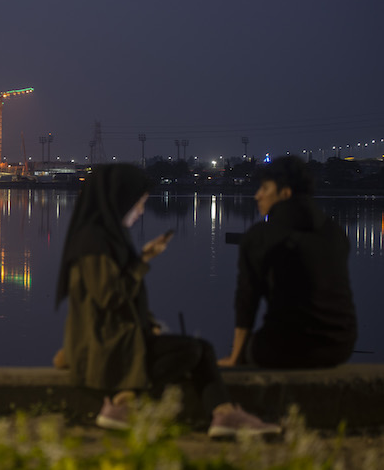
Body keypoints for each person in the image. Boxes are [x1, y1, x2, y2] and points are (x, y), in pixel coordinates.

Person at [55, 164, 280, 438]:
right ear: (120, 201)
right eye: (138, 204)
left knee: (200, 350)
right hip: (108, 349)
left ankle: (223, 414)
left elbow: (120, 296)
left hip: (118, 342)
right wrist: (142, 262)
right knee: (194, 352)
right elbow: (110, 296)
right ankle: (123, 402)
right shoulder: (93, 242)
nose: (140, 212)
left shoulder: (108, 239)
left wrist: (143, 267)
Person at [218, 156, 357, 369]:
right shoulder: (335, 232)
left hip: (286, 347)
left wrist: (236, 356)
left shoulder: (259, 236)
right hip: (341, 347)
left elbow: (247, 299)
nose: (257, 196)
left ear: (285, 192)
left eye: (264, 188)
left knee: (253, 347)